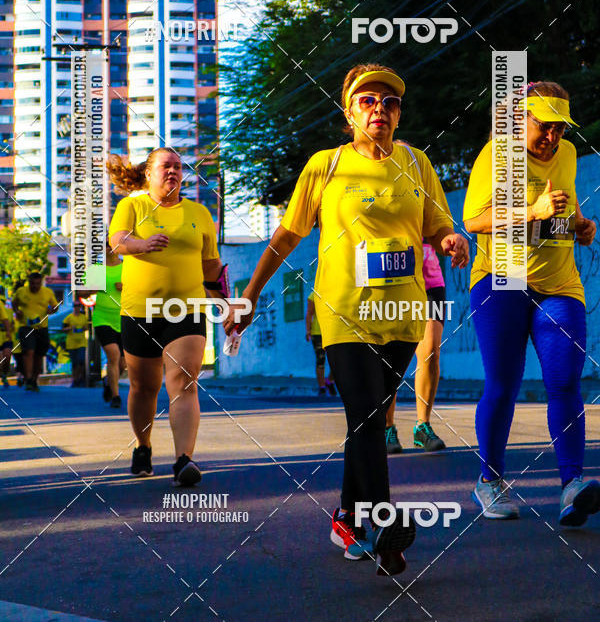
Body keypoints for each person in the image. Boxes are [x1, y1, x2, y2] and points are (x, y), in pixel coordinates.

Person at [225, 63, 469, 575]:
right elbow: (287, 236)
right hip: (345, 312)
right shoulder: (326, 166)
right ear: (348, 110)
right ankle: (385, 523)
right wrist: (248, 296)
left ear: (400, 113)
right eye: (367, 100)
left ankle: (349, 517)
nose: (380, 109)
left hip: (404, 311)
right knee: (364, 414)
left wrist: (450, 238)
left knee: (371, 416)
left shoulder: (417, 163)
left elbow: (438, 221)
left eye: (391, 102)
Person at [464, 81, 600, 526]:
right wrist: (533, 211)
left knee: (565, 382)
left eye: (561, 129)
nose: (553, 138)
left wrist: (580, 225)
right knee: (503, 384)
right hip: (501, 281)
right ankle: (489, 480)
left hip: (559, 283)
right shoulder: (496, 155)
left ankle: (572, 486)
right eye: (544, 127)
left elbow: (564, 206)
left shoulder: (568, 155)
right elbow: (474, 219)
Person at [108, 147, 224, 486]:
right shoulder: (133, 206)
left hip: (186, 309)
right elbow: (118, 241)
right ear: (148, 173)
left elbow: (212, 265)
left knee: (184, 382)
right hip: (139, 310)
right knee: (145, 387)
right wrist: (141, 246)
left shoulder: (199, 212)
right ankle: (143, 446)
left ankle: (183, 459)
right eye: (165, 166)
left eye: (177, 166)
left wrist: (225, 303)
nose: (172, 171)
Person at [384, 239, 447, 454]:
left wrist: (451, 239)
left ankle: (423, 426)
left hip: (428, 276)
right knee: (390, 355)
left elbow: (440, 225)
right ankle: (387, 428)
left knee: (430, 350)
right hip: (388, 272)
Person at [80, 238, 126, 409]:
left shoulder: (128, 267)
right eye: (107, 245)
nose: (111, 248)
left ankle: (108, 381)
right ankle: (116, 396)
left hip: (124, 317)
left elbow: (142, 289)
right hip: (102, 317)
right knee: (113, 355)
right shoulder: (96, 270)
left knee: (123, 363)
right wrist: (92, 288)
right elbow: (81, 291)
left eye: (113, 244)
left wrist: (127, 287)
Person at [13, 272, 58, 391]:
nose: (35, 286)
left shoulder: (47, 292)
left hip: (42, 328)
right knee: (29, 352)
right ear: (29, 282)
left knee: (39, 355)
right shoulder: (21, 292)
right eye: (32, 284)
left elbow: (55, 306)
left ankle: (34, 379)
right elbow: (14, 303)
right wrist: (17, 311)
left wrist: (52, 310)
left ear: (41, 282)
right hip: (26, 327)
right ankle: (28, 379)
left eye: (38, 284)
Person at [305, 291, 335, 396]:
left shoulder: (334, 291)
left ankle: (329, 381)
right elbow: (309, 313)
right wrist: (308, 331)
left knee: (337, 360)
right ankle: (322, 387)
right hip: (318, 333)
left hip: (333, 331)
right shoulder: (313, 296)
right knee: (320, 359)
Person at [62, 302, 89, 387]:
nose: (76, 308)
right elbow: (63, 329)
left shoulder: (84, 317)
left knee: (81, 361)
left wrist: (85, 328)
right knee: (75, 363)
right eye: (75, 306)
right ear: (73, 307)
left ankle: (80, 378)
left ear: (80, 307)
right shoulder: (69, 317)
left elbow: (86, 327)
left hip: (81, 343)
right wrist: (70, 328)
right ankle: (75, 379)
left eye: (78, 306)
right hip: (71, 343)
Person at [0, 292, 12, 387]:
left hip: (5, 335)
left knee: (7, 356)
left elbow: (7, 320)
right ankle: (3, 376)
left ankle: (5, 374)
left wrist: (8, 331)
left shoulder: (9, 310)